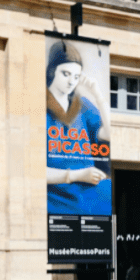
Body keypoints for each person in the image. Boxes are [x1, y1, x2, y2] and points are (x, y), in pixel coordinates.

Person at [45, 41, 112, 216]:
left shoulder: (82, 105)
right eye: (66, 74)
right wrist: (77, 175)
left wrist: (98, 95)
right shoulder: (39, 106)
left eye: (76, 77)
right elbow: (32, 171)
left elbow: (110, 134)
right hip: (56, 195)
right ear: (52, 70)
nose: (71, 82)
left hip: (88, 192)